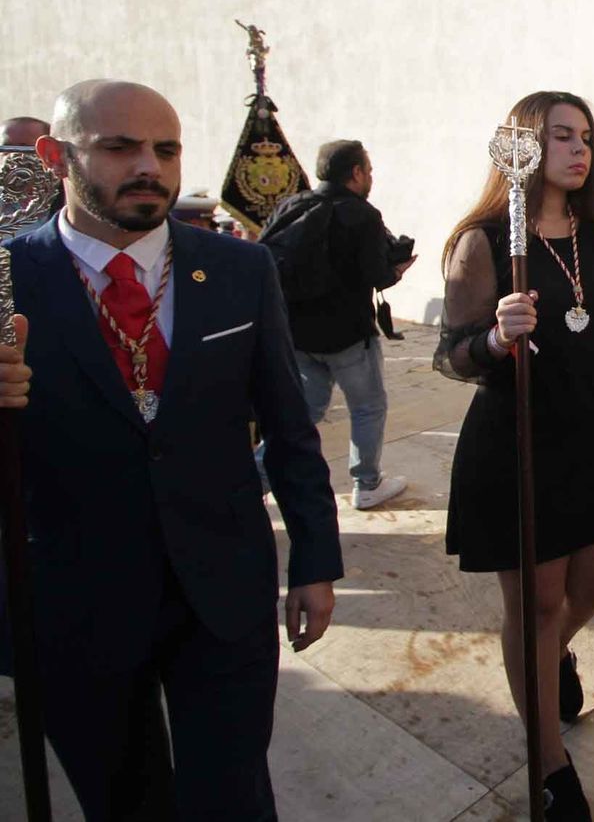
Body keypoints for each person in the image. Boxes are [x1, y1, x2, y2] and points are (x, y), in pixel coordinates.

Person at [2, 79, 341, 818]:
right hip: (76, 603)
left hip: (222, 591)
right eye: (120, 148)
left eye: (166, 148)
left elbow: (289, 426)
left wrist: (315, 559)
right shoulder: (7, 279)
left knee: (234, 795)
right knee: (124, 801)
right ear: (56, 155)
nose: (149, 166)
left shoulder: (239, 269)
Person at [436, 91, 594, 818]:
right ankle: (549, 762)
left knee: (591, 585)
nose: (580, 150)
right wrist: (496, 337)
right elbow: (452, 356)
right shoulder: (483, 240)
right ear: (525, 146)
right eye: (562, 136)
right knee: (535, 604)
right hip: (519, 442)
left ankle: (549, 656)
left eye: (587, 138)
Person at [263, 139, 414, 511]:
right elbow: (376, 274)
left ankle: (252, 480)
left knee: (303, 414)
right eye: (369, 170)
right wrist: (397, 269)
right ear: (357, 173)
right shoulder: (361, 215)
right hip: (347, 337)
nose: (371, 177)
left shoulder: (290, 205)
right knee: (368, 407)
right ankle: (367, 484)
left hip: (297, 336)